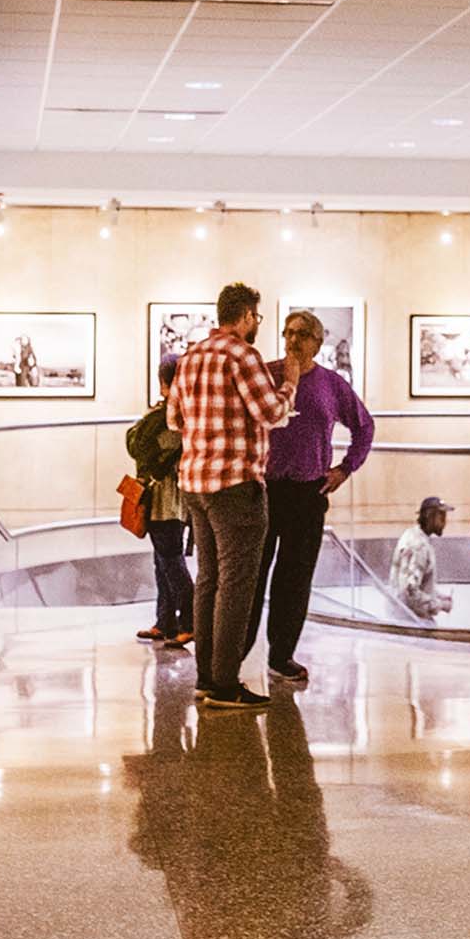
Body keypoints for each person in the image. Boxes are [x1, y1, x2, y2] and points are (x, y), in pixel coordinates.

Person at [168, 283, 300, 710]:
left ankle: (206, 678)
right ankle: (225, 684)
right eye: (256, 318)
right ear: (244, 315)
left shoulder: (191, 356)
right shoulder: (243, 355)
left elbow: (174, 419)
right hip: (236, 484)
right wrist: (290, 384)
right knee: (237, 584)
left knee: (208, 580)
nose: (256, 324)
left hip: (195, 484)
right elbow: (271, 413)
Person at [245, 310, 375, 684]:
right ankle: (235, 652)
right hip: (264, 490)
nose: (292, 340)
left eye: (302, 334)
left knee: (295, 578)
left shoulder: (331, 385)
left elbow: (364, 427)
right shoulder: (267, 375)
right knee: (251, 575)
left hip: (308, 492)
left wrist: (345, 468)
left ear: (318, 343)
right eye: (287, 332)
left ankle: (281, 655)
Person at [130, 357, 194, 647]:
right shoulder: (182, 413)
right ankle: (165, 621)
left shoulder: (170, 417)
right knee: (162, 561)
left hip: (167, 499)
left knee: (170, 560)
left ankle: (190, 621)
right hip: (170, 498)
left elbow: (138, 445)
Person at [391, 497, 453, 622]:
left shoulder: (411, 535)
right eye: (441, 516)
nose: (445, 522)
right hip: (411, 623)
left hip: (399, 617)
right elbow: (410, 591)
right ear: (429, 516)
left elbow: (415, 583)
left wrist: (438, 596)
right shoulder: (419, 547)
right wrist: (440, 605)